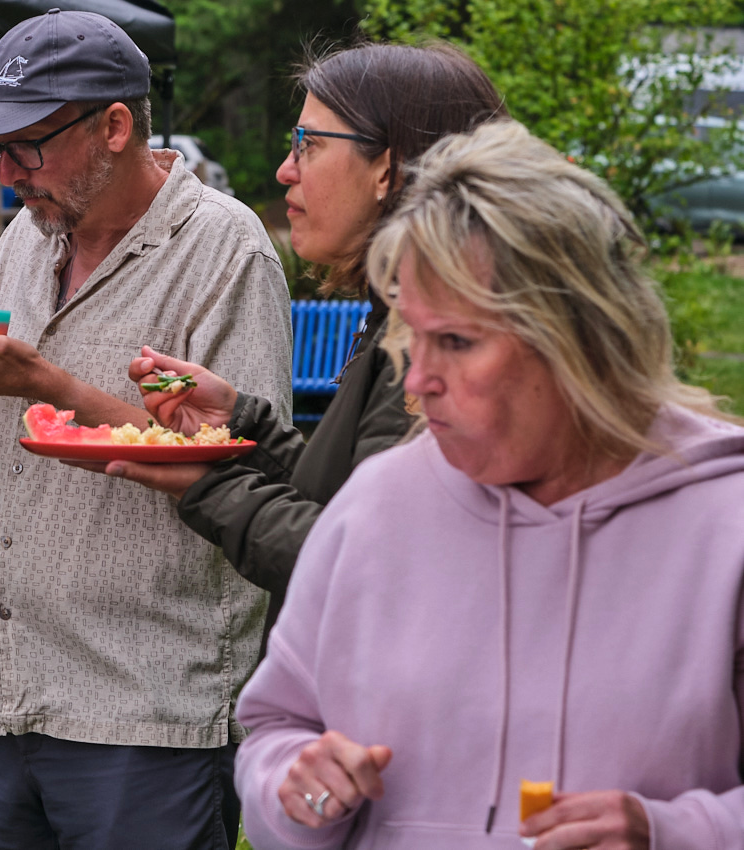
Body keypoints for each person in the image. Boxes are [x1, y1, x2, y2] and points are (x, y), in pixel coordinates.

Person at [235, 119, 744, 850]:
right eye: (411, 337)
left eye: (457, 341)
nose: (416, 382)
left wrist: (674, 831)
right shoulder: (376, 507)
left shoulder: (722, 520)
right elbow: (275, 730)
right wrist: (295, 785)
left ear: (581, 334)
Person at [0, 9, 293, 849]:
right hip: (2, 689)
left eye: (28, 147)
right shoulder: (26, 239)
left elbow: (241, 472)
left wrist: (47, 383)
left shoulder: (223, 252)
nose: (9, 176)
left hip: (144, 709)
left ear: (114, 126)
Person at [93, 41, 508, 648]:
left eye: (307, 145)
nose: (286, 169)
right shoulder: (405, 308)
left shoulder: (449, 339)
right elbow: (350, 493)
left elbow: (362, 558)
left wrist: (204, 485)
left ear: (388, 170)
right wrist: (243, 424)